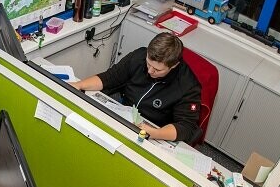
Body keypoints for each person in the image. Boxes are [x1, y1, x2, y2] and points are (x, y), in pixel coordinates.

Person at [70, 32, 201, 143]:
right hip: (124, 113)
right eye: (148, 63)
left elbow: (186, 126)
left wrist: (154, 133)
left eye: (157, 69)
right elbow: (109, 77)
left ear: (173, 66)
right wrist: (78, 85)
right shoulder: (138, 56)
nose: (150, 71)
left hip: (155, 129)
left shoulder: (188, 85)